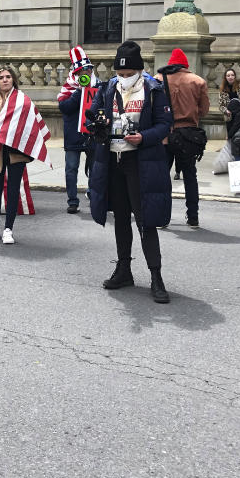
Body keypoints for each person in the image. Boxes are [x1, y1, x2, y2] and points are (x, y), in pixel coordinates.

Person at [87, 41, 173, 303]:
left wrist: (144, 137)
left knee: (146, 219)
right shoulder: (108, 88)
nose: (123, 78)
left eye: (128, 74)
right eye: (120, 74)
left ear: (140, 70)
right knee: (121, 217)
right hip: (113, 161)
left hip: (141, 163)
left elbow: (165, 124)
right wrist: (98, 123)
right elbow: (94, 115)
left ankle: (156, 276)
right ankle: (124, 268)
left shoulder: (154, 90)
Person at [0, 65, 50, 245]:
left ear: (13, 80)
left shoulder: (23, 101)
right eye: (1, 77)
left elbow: (31, 124)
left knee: (12, 191)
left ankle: (9, 229)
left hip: (16, 152)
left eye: (8, 77)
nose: (5, 80)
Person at [156, 48, 209, 228]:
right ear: (186, 65)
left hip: (165, 135)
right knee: (190, 176)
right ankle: (193, 216)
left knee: (163, 177)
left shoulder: (158, 80)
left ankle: (162, 217)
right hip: (188, 135)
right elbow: (204, 111)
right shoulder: (198, 81)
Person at [57, 45, 99, 214]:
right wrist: (80, 92)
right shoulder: (68, 88)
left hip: (92, 134)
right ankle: (73, 201)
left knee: (94, 168)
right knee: (71, 169)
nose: (86, 74)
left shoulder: (98, 86)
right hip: (73, 134)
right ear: (75, 73)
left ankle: (93, 195)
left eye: (88, 71)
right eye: (82, 72)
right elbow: (65, 108)